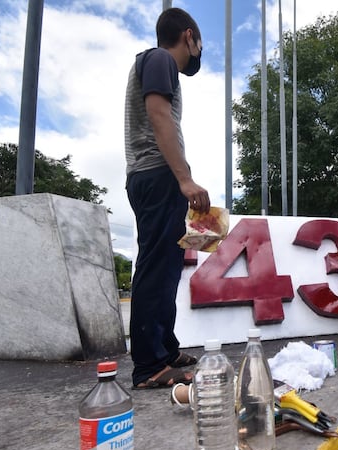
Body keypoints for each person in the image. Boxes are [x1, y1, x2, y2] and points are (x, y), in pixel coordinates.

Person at [124, 8, 210, 389]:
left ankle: (166, 348)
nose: (199, 51)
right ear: (188, 36)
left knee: (168, 268)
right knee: (156, 268)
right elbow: (158, 115)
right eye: (199, 43)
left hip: (160, 177)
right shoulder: (158, 58)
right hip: (155, 175)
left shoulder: (163, 67)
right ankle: (149, 365)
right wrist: (185, 179)